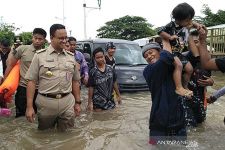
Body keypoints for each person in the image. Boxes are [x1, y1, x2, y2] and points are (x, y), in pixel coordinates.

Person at [25, 24, 81, 131]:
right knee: (44, 136)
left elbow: (75, 81)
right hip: (46, 103)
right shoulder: (39, 56)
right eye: (61, 38)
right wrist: (29, 107)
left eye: (66, 38)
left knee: (68, 135)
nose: (64, 41)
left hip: (67, 101)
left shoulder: (71, 57)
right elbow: (31, 81)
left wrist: (78, 103)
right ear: (51, 38)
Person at [142, 42, 187, 144]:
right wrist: (166, 39)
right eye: (146, 56)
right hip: (159, 121)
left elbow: (185, 67)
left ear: (159, 52)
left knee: (182, 146)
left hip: (178, 119)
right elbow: (165, 57)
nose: (149, 56)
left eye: (150, 52)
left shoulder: (173, 67)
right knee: (155, 147)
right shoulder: (148, 70)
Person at [158, 2, 206, 97]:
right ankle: (178, 88)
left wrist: (198, 26)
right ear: (179, 19)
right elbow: (160, 32)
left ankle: (185, 86)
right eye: (188, 20)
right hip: (170, 52)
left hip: (178, 53)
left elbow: (193, 23)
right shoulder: (171, 25)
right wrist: (170, 37)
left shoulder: (185, 24)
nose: (190, 22)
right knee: (179, 66)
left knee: (189, 69)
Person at [5, 28, 47, 118]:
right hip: (23, 88)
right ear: (32, 38)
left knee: (38, 117)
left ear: (44, 40)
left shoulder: (46, 54)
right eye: (35, 38)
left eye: (40, 39)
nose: (37, 41)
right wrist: (5, 83)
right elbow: (10, 65)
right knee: (21, 118)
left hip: (40, 90)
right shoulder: (22, 49)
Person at [185, 30, 214, 126]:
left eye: (197, 42)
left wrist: (211, 82)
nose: (194, 45)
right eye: (192, 43)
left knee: (201, 126)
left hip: (201, 100)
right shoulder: (182, 59)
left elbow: (209, 78)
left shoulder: (206, 60)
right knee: (189, 127)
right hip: (186, 101)